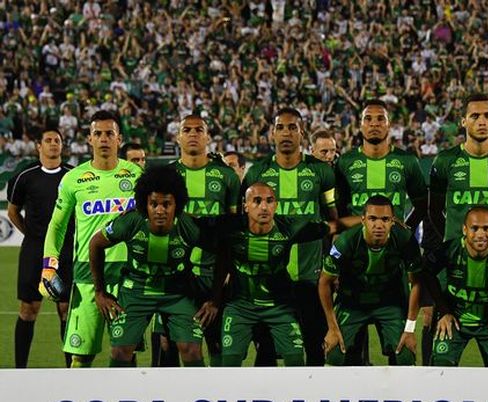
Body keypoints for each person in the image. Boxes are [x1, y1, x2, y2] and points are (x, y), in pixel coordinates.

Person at [427, 94, 488, 363]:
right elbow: (434, 211)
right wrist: (452, 241)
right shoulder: (445, 161)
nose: (481, 121)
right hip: (452, 268)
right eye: (475, 116)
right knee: (439, 346)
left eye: (487, 115)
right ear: (463, 122)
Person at [41, 110, 143, 367]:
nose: (104, 139)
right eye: (98, 134)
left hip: (128, 276)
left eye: (109, 133)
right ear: (89, 139)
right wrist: (49, 265)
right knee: (80, 356)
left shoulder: (137, 176)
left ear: (119, 139)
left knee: (125, 353)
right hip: (87, 275)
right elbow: (57, 225)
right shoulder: (73, 179)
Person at [213, 183, 349, 367]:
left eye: (269, 201)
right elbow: (217, 256)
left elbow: (333, 226)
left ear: (276, 205)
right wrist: (214, 299)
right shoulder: (231, 228)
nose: (264, 207)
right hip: (240, 308)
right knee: (229, 364)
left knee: (295, 361)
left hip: (280, 308)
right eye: (257, 201)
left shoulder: (288, 227)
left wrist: (366, 219)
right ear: (245, 205)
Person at [88, 166, 211, 367]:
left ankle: (195, 389)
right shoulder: (131, 222)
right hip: (136, 291)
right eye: (154, 204)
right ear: (145, 204)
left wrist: (214, 299)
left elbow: (222, 251)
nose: (160, 210)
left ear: (177, 204)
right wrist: (100, 291)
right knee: (120, 352)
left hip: (178, 293)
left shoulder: (188, 225)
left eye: (166, 204)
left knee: (191, 350)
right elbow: (95, 243)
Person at [242, 108, 337, 366]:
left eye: (292, 127)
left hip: (311, 277)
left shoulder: (321, 172)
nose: (286, 133)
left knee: (315, 348)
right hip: (268, 279)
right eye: (280, 128)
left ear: (301, 133)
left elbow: (334, 222)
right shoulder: (257, 173)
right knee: (266, 352)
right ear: (272, 134)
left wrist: (333, 266)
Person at [320, 195, 423, 366]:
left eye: (385, 219)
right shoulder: (346, 241)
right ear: (363, 220)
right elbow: (324, 282)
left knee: (405, 354)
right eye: (372, 219)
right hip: (353, 302)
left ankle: (398, 384)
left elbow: (417, 282)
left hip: (389, 301)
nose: (378, 225)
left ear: (393, 221)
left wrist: (410, 329)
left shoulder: (405, 239)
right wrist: (331, 327)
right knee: (335, 352)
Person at [172, 114, 241, 367]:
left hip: (216, 275)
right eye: (187, 130)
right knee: (175, 345)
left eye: (199, 130)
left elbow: (234, 229)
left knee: (217, 344)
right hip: (176, 276)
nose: (193, 134)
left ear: (208, 137)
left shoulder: (226, 176)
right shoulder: (168, 175)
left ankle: (217, 387)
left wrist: (230, 272)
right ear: (178, 137)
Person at [425, 206, 488, 367]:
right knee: (441, 366)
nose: (480, 234)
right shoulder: (449, 250)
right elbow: (427, 274)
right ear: (464, 230)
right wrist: (444, 311)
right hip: (455, 321)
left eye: (486, 228)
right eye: (474, 228)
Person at [8, 129, 73, 368]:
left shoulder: (73, 176)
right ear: (39, 146)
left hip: (66, 250)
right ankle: (20, 370)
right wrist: (32, 235)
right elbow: (13, 211)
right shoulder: (25, 176)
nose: (53, 144)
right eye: (48, 140)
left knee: (65, 309)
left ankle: (73, 370)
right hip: (34, 251)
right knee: (29, 309)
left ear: (62, 146)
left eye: (57, 140)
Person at [336, 100, 427, 227]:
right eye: (368, 119)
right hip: (357, 239)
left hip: (394, 240)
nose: (374, 124)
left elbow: (422, 205)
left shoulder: (407, 161)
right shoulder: (345, 162)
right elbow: (339, 208)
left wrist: (406, 231)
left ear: (389, 125)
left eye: (380, 119)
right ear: (360, 126)